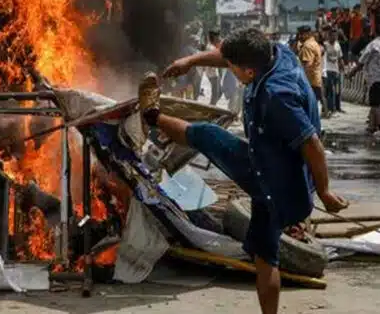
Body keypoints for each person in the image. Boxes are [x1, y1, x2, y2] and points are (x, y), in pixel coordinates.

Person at [140, 28, 348, 314]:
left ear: (248, 72)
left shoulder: (277, 96)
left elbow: (311, 143)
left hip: (276, 180)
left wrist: (324, 191)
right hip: (270, 156)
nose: (231, 70)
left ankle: (149, 115)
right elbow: (227, 57)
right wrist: (191, 61)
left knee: (207, 136)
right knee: (266, 256)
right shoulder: (275, 52)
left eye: (234, 68)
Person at [296, 26, 324, 116]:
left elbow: (306, 65)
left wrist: (300, 81)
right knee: (316, 102)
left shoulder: (307, 46)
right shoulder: (314, 43)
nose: (299, 36)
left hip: (309, 81)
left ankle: (315, 125)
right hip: (315, 79)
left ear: (308, 34)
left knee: (311, 105)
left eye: (302, 34)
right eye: (299, 34)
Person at [323, 27, 344, 115]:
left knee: (338, 90)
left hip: (336, 70)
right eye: (332, 35)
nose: (334, 37)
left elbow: (340, 58)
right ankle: (330, 108)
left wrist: (342, 67)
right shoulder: (325, 45)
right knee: (330, 90)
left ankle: (338, 107)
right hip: (327, 69)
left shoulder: (337, 45)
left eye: (335, 35)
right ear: (329, 36)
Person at [205, 30, 222, 105]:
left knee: (219, 92)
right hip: (213, 74)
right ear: (214, 37)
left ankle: (212, 106)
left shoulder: (212, 46)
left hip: (214, 73)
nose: (219, 38)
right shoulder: (211, 47)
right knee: (215, 94)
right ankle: (211, 109)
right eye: (217, 36)